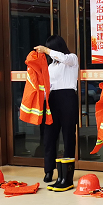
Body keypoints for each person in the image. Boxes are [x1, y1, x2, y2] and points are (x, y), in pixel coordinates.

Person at [34, 35, 78, 191]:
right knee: (49, 135)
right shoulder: (51, 66)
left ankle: (67, 170)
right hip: (52, 99)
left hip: (67, 98)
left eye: (50, 48)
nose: (48, 52)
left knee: (68, 136)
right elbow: (48, 85)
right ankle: (48, 170)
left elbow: (63, 58)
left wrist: (47, 50)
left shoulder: (71, 58)